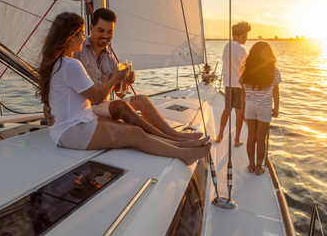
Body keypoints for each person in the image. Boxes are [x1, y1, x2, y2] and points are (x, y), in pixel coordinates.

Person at [36, 12, 210, 165]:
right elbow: (97, 99)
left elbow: (116, 93)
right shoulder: (71, 63)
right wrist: (115, 78)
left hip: (79, 121)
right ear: (71, 37)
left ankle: (179, 143)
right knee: (135, 134)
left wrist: (123, 82)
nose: (84, 37)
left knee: (135, 129)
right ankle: (184, 154)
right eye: (82, 34)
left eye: (110, 31)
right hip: (71, 130)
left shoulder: (59, 63)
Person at [240, 41, 281, 175]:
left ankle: (251, 165)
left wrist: (242, 109)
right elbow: (275, 90)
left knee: (251, 136)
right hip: (264, 106)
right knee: (261, 138)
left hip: (250, 105)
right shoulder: (273, 70)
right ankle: (259, 167)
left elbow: (243, 91)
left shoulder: (247, 70)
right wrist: (276, 108)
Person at [215, 21, 251, 146]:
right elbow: (246, 70)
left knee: (226, 109)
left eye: (246, 36)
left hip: (228, 84)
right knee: (239, 113)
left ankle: (219, 135)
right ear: (236, 36)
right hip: (239, 86)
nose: (245, 39)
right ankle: (236, 140)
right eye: (243, 37)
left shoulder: (226, 46)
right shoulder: (241, 50)